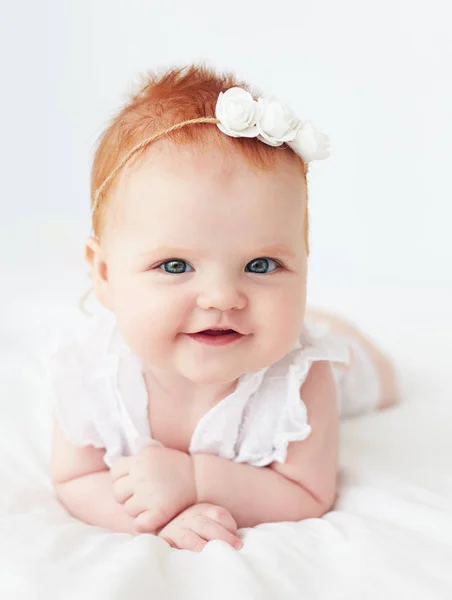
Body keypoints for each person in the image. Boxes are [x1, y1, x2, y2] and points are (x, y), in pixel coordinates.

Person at [48, 64, 400, 552]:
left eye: (261, 264)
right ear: (104, 273)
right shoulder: (91, 372)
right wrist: (155, 519)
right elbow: (75, 479)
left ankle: (343, 334)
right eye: (174, 266)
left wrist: (196, 480)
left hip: (339, 369)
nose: (222, 297)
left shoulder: (302, 380)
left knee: (379, 377)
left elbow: (307, 493)